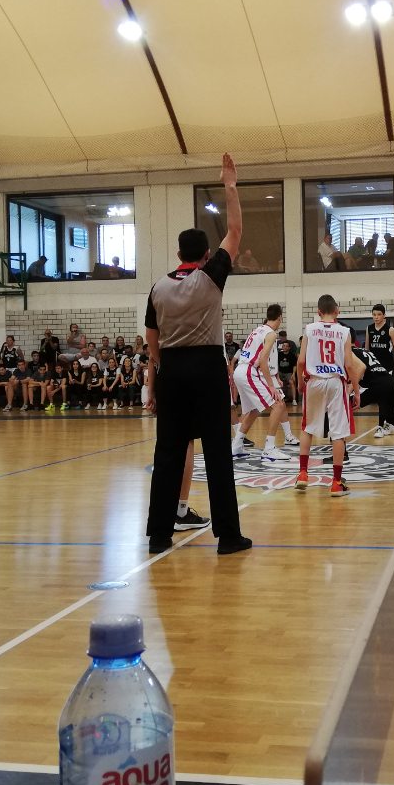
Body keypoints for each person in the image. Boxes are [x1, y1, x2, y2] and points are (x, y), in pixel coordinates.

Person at [145, 152, 248, 555]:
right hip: (206, 367)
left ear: (178, 255)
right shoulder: (211, 277)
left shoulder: (157, 287)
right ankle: (228, 537)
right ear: (206, 255)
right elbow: (235, 231)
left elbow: (151, 339)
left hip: (171, 369)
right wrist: (230, 185)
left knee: (168, 452)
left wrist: (162, 370)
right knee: (217, 453)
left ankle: (159, 535)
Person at [295, 295, 362, 497]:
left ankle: (303, 474)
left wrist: (300, 382)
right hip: (335, 381)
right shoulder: (344, 331)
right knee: (338, 433)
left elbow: (300, 361)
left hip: (314, 380)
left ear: (318, 312)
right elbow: (349, 365)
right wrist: (356, 390)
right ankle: (336, 483)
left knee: (307, 427)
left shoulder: (309, 329)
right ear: (337, 311)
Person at [325, 347, 394, 465]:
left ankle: (342, 454)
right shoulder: (364, 350)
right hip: (390, 383)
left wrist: (351, 389)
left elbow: (361, 369)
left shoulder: (349, 352)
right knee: (392, 417)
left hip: (378, 386)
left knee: (339, 410)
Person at [231, 304, 295, 462]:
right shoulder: (271, 334)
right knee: (278, 404)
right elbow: (263, 361)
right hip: (249, 371)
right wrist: (271, 385)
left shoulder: (257, 329)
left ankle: (236, 446)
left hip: (241, 370)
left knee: (253, 410)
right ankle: (269, 449)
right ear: (280, 317)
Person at [367, 304, 394, 433]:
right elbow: (367, 351)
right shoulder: (369, 328)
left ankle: (381, 426)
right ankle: (386, 424)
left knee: (385, 397)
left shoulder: (390, 330)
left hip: (387, 369)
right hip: (374, 369)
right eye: (374, 314)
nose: (376, 317)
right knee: (381, 397)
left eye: (379, 314)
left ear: (384, 316)